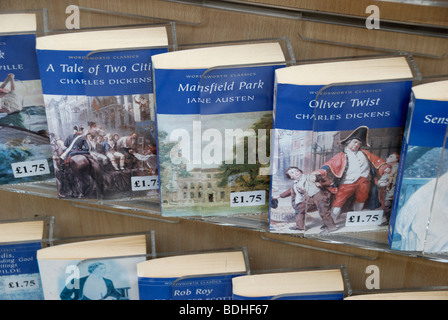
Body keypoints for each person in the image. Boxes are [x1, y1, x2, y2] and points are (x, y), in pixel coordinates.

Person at [312, 126, 389, 222]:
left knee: (362, 198)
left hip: (364, 181)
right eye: (355, 142)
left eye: (359, 143)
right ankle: (332, 220)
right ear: (348, 142)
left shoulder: (365, 153)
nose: (357, 145)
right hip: (347, 182)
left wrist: (384, 168)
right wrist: (319, 172)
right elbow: (329, 165)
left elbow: (377, 161)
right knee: (338, 201)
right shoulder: (341, 155)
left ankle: (356, 217)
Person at [272, 166, 336, 232]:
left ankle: (331, 227)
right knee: (300, 209)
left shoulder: (308, 177)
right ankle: (300, 226)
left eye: (297, 171)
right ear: (291, 177)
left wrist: (317, 176)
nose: (295, 172)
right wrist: (278, 196)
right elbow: (288, 192)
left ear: (301, 172)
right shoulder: (295, 185)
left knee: (323, 212)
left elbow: (317, 177)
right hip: (309, 198)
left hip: (319, 196)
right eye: (292, 172)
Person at [377, 152, 400, 225]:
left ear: (397, 159)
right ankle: (388, 221)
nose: (387, 158)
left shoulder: (399, 168)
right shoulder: (389, 170)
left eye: (390, 157)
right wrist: (385, 183)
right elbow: (380, 181)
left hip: (398, 193)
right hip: (390, 193)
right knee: (387, 206)